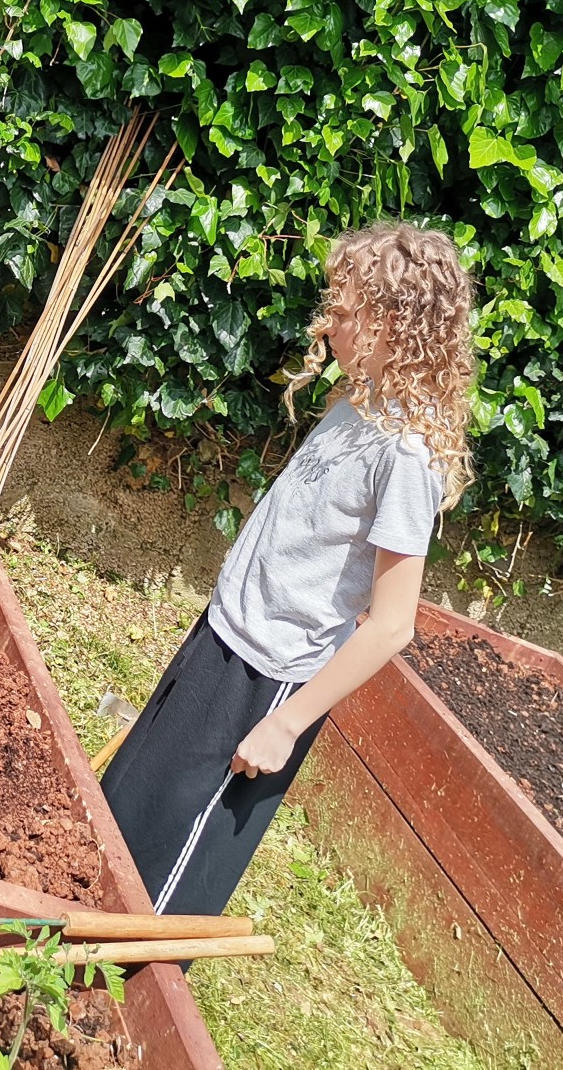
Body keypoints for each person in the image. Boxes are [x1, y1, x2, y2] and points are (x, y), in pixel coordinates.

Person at [101, 223, 475, 917]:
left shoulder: (406, 454)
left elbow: (392, 625)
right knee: (130, 804)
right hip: (224, 637)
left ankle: (122, 980)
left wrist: (286, 723)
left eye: (345, 310)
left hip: (267, 682)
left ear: (394, 323)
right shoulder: (360, 403)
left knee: (163, 878)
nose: (326, 323)